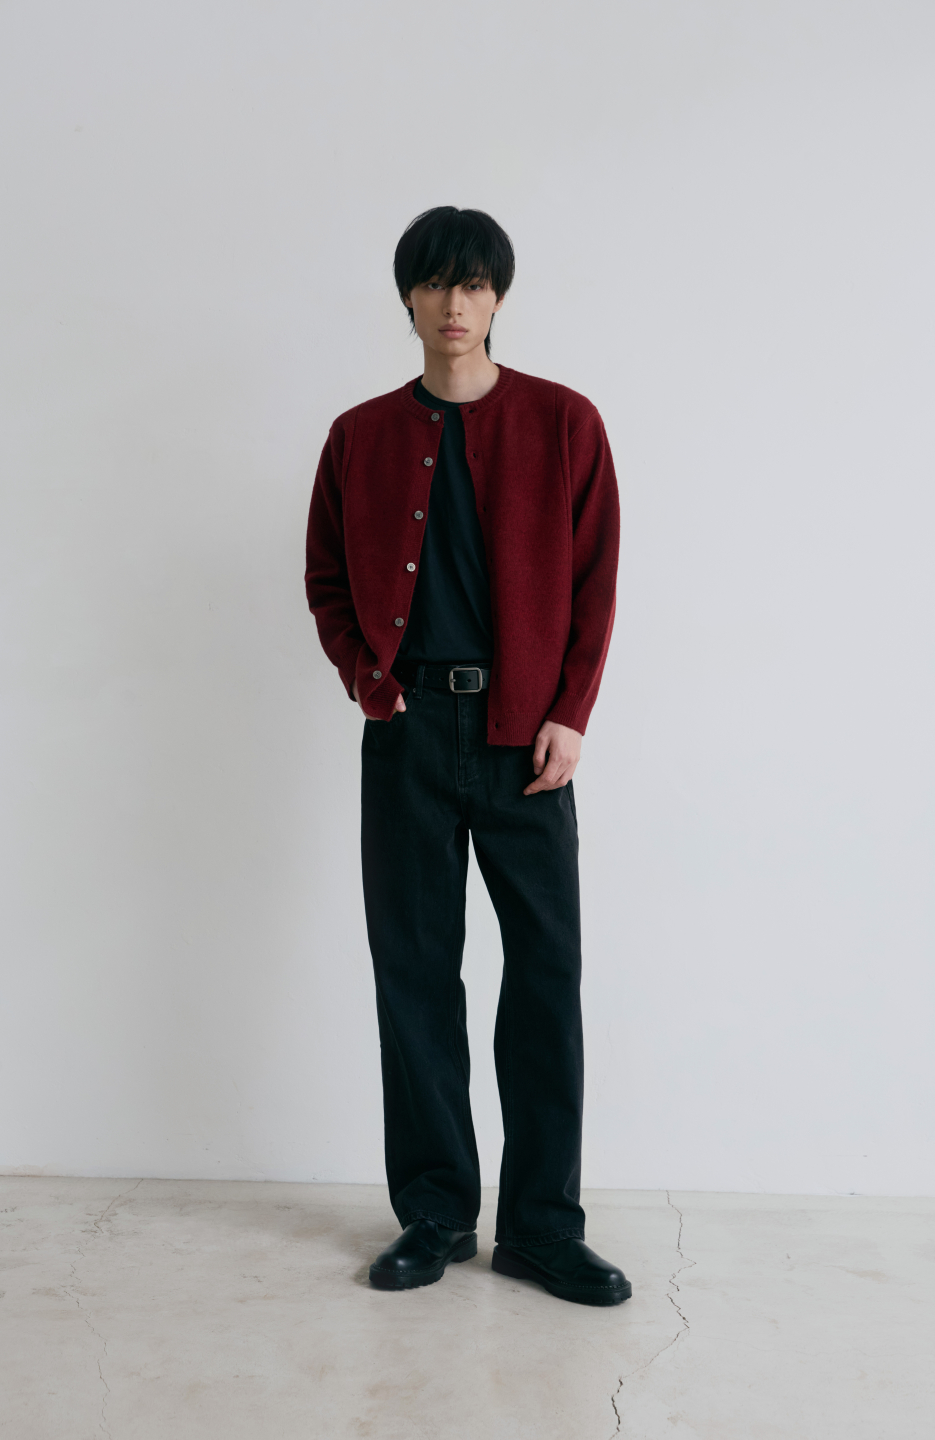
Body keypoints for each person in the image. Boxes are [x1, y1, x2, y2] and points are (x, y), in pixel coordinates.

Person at [305, 206, 630, 1307]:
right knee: (414, 975)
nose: (457, 305)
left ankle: (541, 1227)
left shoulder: (565, 422)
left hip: (524, 739)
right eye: (438, 284)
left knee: (543, 977)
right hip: (405, 734)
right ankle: (437, 1213)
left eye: (476, 284)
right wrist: (369, 680)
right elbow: (327, 579)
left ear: (499, 297)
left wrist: (570, 710)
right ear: (408, 298)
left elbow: (595, 580)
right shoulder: (358, 436)